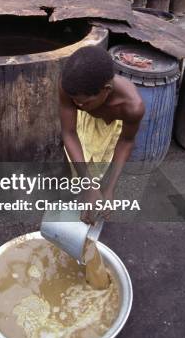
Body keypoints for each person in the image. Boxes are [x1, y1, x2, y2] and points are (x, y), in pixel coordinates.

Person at [59, 46, 145, 224]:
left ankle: (97, 193)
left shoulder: (132, 107)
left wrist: (110, 188)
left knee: (101, 171)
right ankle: (84, 192)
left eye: (84, 102)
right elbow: (69, 133)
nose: (78, 105)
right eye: (74, 101)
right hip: (87, 122)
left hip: (112, 125)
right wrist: (88, 186)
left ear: (106, 90)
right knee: (82, 171)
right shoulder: (70, 88)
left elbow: (126, 141)